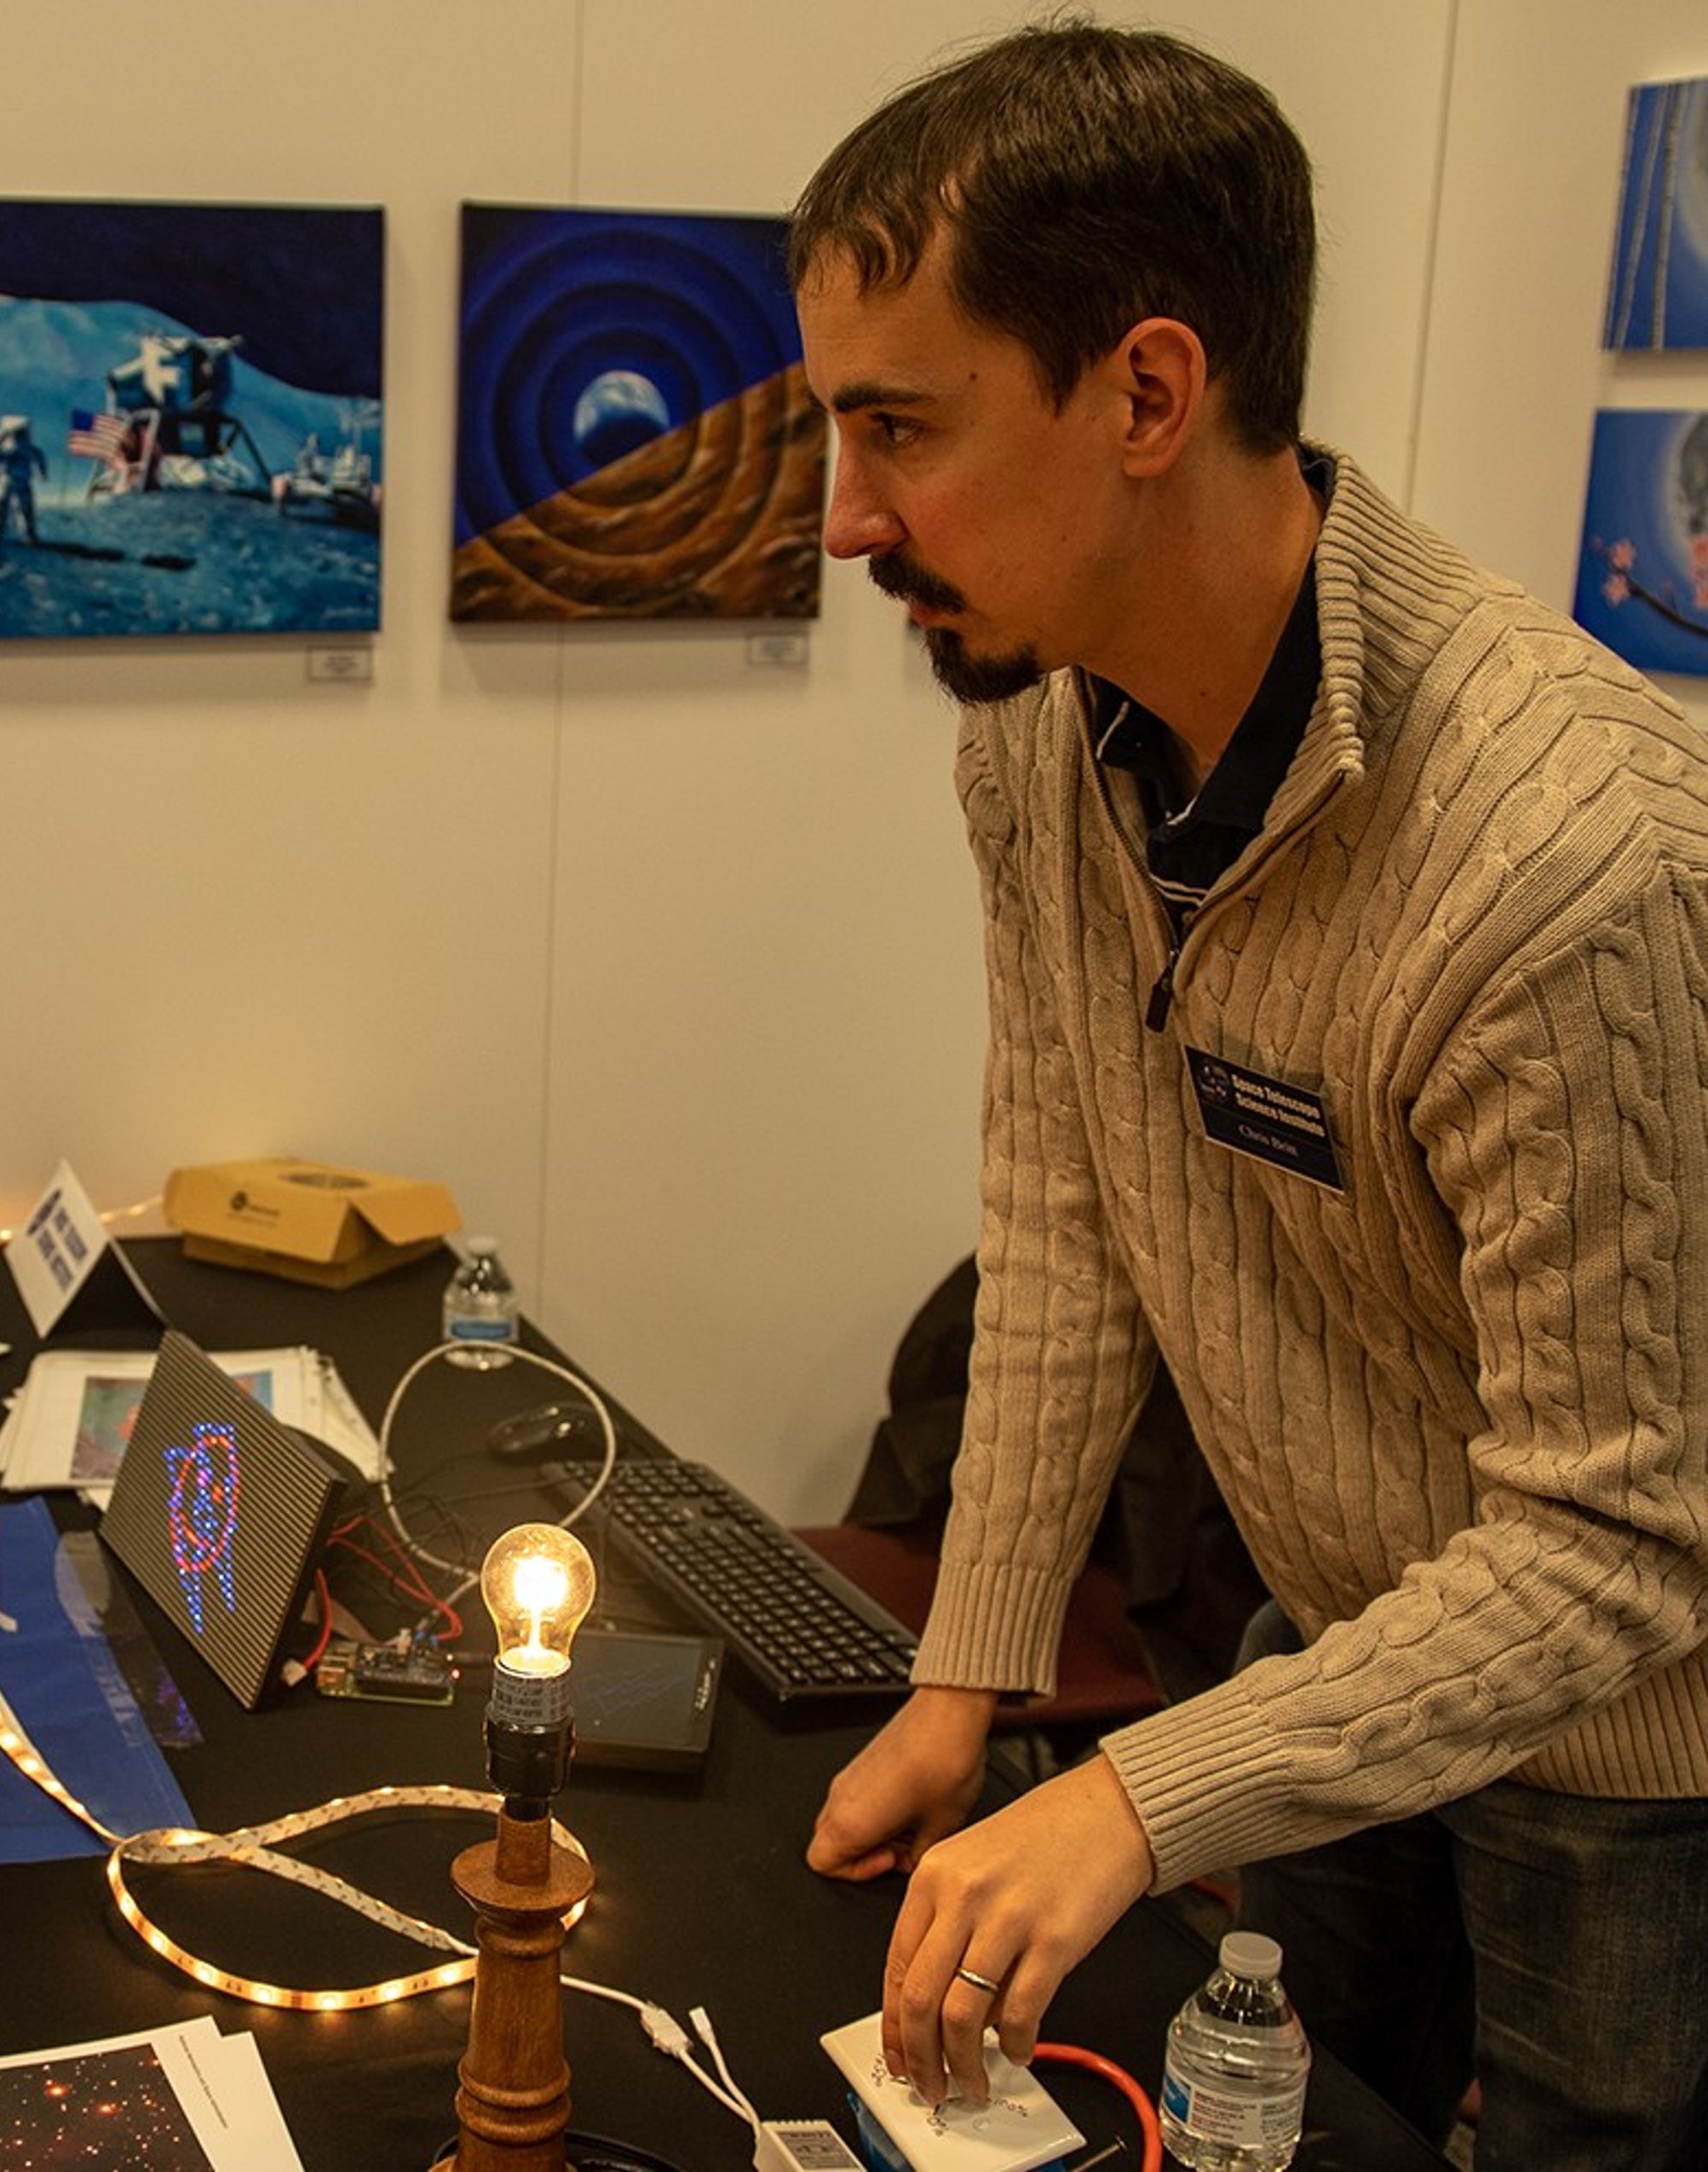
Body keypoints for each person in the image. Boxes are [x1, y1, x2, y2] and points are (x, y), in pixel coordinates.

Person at [788, 22, 1708, 2171]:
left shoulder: (1559, 862)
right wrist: (969, 1673)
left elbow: (1610, 1545)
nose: (843, 520)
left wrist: (1137, 1786)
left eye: (895, 429)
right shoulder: (1032, 727)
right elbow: (1063, 1214)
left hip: (1627, 1739)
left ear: (1143, 394)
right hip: (1339, 1643)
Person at [0, 412, 45, 544]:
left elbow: (39, 457)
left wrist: (42, 472)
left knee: (26, 509)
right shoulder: (3, 449)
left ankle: (29, 535)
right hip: (6, 480)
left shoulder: (28, 449)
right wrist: (2, 433)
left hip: (23, 481)